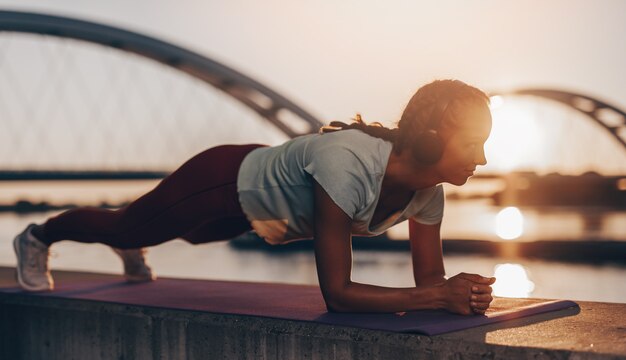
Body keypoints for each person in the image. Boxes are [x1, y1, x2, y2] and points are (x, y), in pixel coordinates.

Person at [13, 79, 495, 315]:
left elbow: (431, 279)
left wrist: (459, 293)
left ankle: (139, 234)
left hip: (255, 216)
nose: (484, 159)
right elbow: (338, 295)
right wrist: (436, 295)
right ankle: (38, 236)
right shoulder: (349, 161)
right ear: (432, 137)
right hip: (225, 180)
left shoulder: (427, 193)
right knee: (128, 225)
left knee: (191, 238)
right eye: (474, 144)